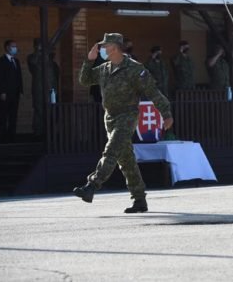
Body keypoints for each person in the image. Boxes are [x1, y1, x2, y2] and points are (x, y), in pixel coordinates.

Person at [74, 33, 173, 213]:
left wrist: (166, 113)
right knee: (126, 160)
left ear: (115, 47)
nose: (102, 49)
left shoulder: (135, 69)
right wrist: (89, 60)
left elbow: (152, 91)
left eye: (105, 46)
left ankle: (92, 185)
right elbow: (85, 80)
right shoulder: (105, 68)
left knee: (111, 150)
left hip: (127, 116)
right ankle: (140, 200)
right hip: (109, 117)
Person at [0, 40, 23, 144]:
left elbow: (18, 77)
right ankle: (3, 138)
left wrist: (20, 90)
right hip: (6, 93)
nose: (15, 48)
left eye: (16, 46)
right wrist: (2, 92)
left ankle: (12, 137)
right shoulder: (0, 61)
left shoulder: (16, 61)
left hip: (15, 93)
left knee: (13, 116)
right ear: (7, 47)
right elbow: (0, 78)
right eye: (13, 46)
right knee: (4, 115)